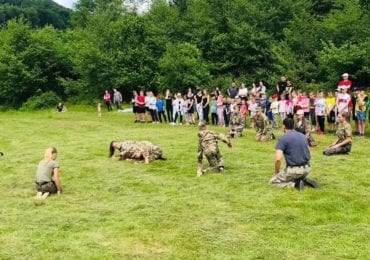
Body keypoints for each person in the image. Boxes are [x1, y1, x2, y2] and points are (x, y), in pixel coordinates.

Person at [269, 118, 319, 190]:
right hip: (307, 168)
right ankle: (304, 180)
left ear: (283, 126)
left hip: (294, 170)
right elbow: (308, 152)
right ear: (294, 125)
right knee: (294, 174)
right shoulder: (302, 136)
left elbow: (278, 159)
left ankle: (295, 184)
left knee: (272, 182)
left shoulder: (283, 138)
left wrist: (276, 172)